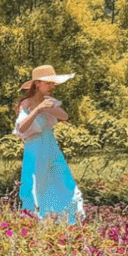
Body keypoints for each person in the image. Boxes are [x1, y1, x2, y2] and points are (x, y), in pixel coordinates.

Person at [14, 65, 84, 223]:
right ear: (37, 83)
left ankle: (67, 217)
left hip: (50, 144)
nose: (52, 86)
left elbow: (64, 116)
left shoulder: (49, 101)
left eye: (53, 83)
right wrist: (37, 109)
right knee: (36, 182)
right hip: (34, 146)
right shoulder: (26, 104)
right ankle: (37, 218)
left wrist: (49, 108)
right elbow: (22, 128)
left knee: (62, 180)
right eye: (48, 83)